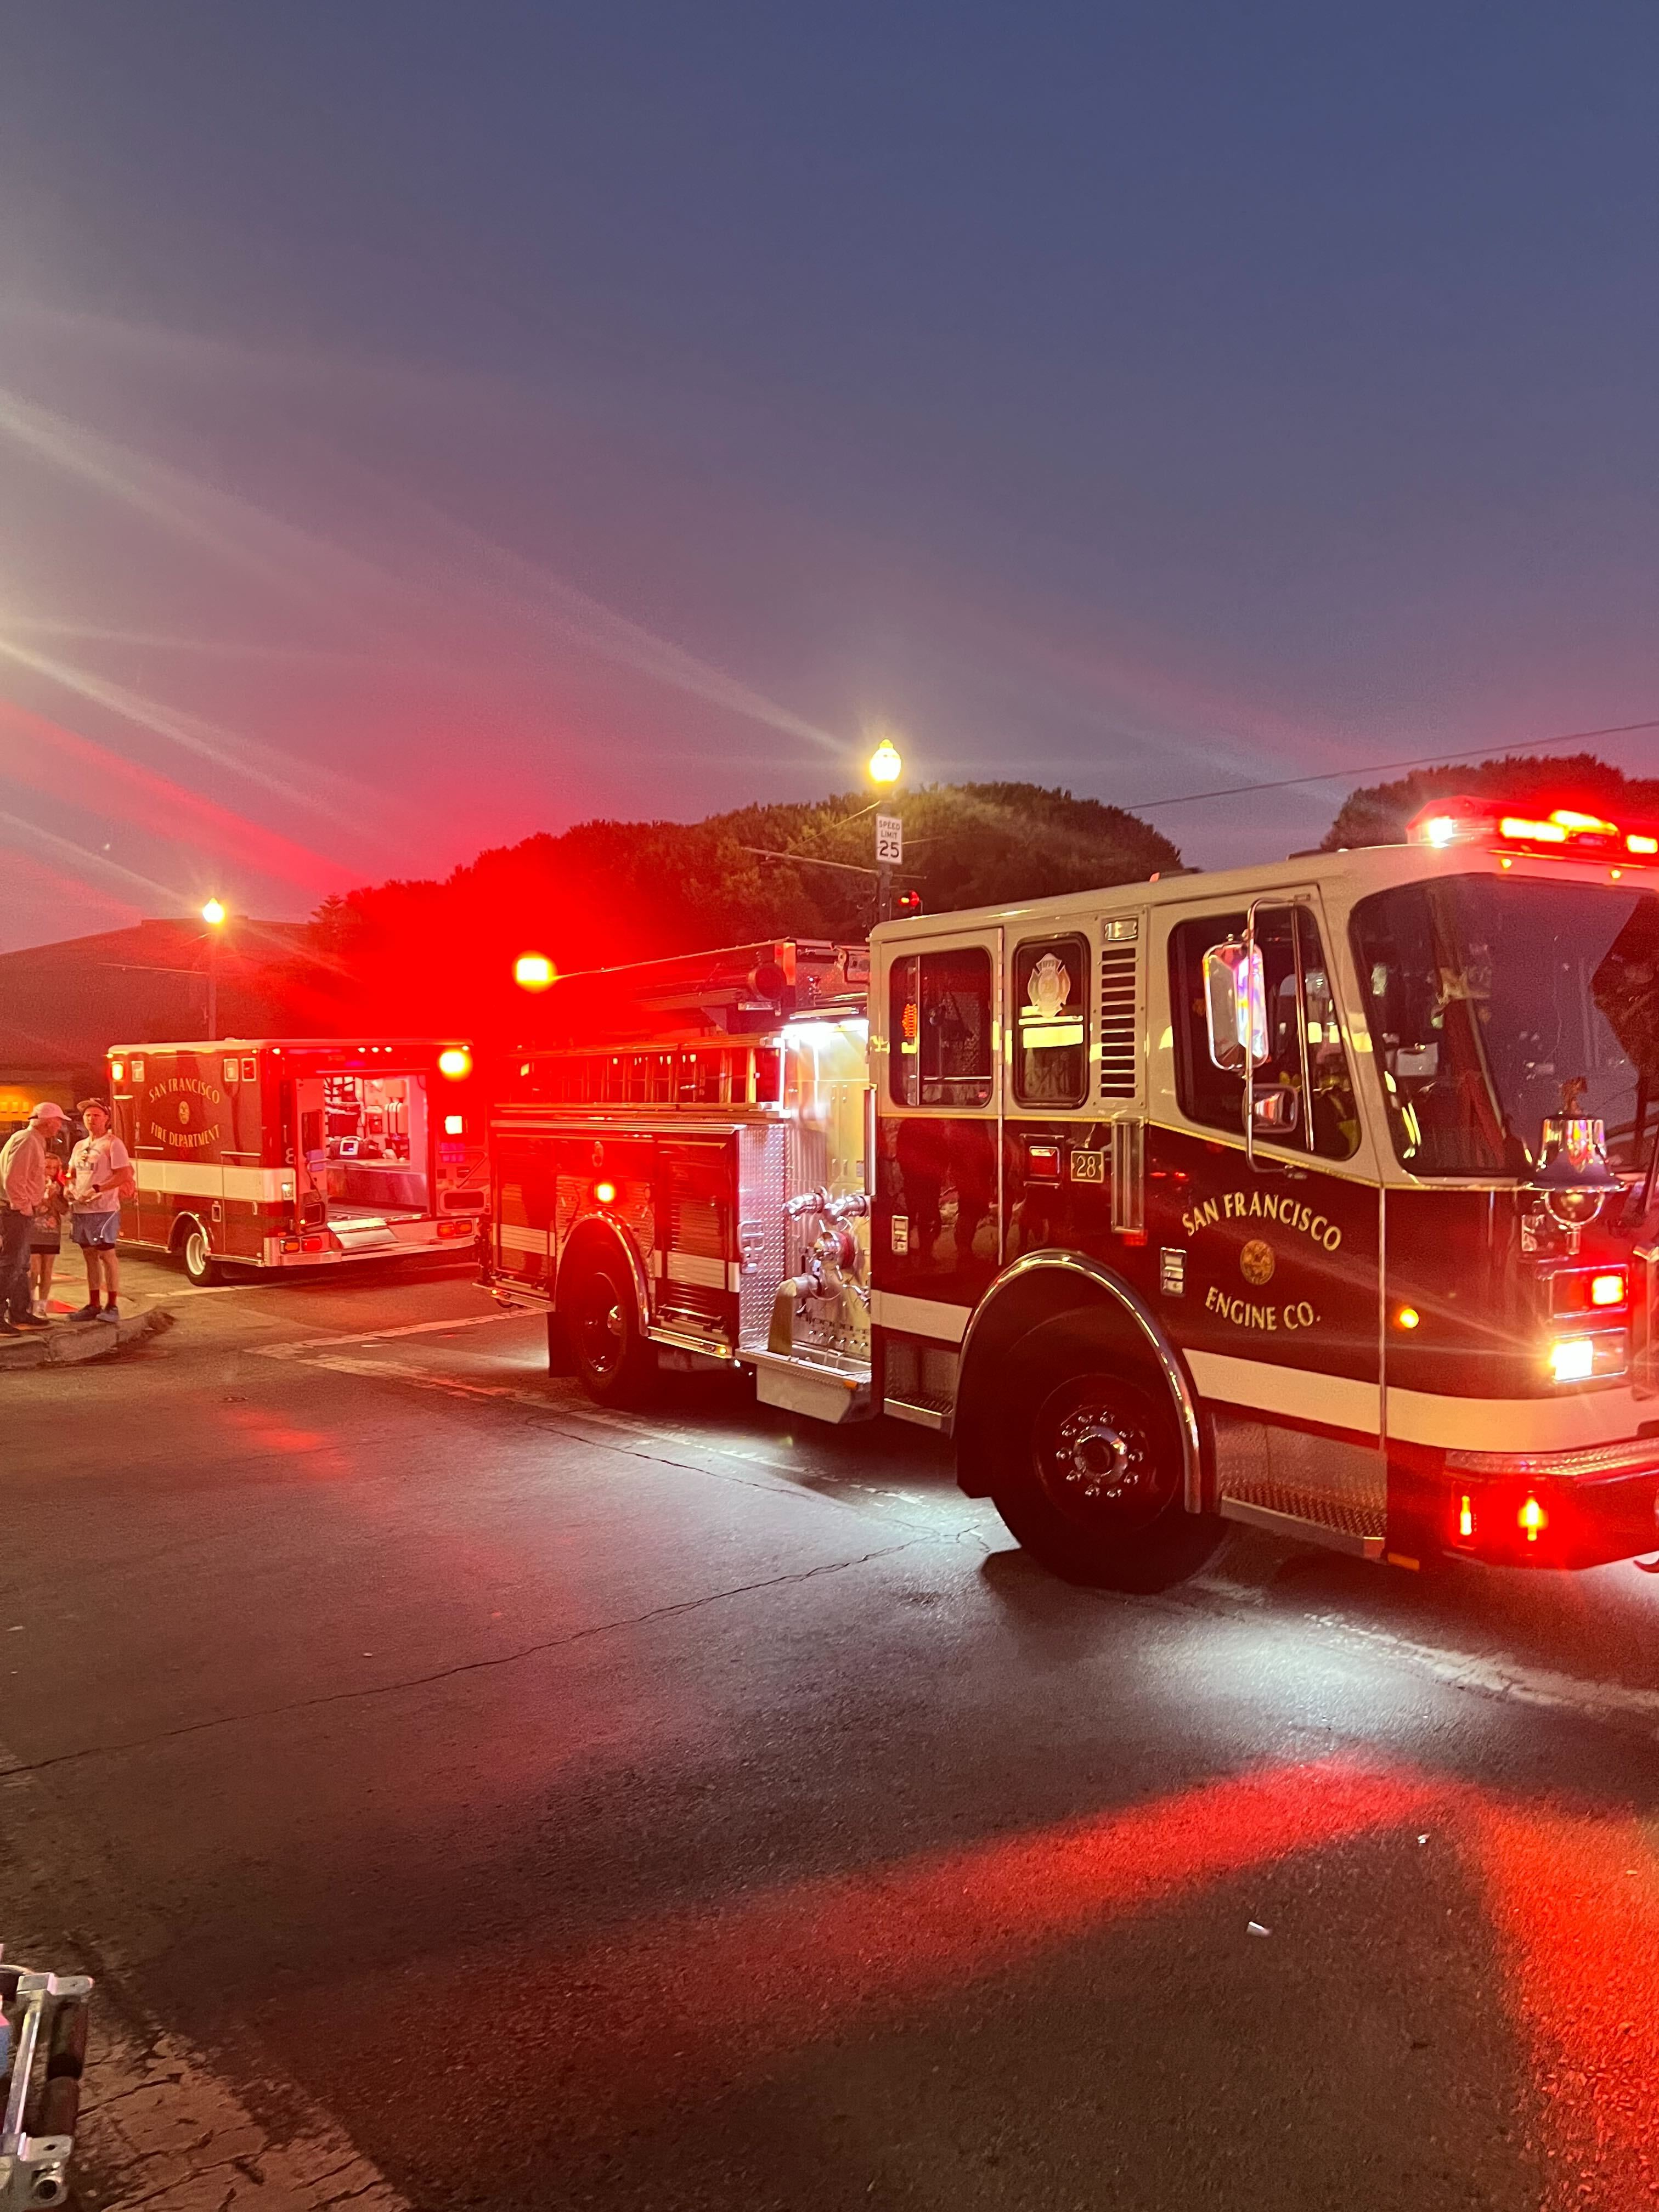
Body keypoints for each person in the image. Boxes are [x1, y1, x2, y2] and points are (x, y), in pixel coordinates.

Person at [0, 1102, 69, 1334]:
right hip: (15, 1212)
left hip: (17, 1211)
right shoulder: (28, 1141)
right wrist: (24, 1206)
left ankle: (20, 1311)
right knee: (12, 1263)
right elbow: (13, 1178)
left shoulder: (30, 1139)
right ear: (49, 1122)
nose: (59, 1127)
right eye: (58, 1122)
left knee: (21, 1264)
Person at [67, 1098, 132, 1324]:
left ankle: (112, 1305)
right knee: (89, 1256)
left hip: (105, 1209)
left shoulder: (113, 1144)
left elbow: (124, 1175)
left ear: (106, 1119)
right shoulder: (79, 1146)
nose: (91, 1119)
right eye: (87, 1116)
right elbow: (71, 1174)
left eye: (96, 1115)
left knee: (107, 1255)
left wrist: (98, 1189)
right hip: (81, 1209)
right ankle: (93, 1304)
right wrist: (69, 1189)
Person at [29, 1139, 68, 1319]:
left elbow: (64, 1210)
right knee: (33, 1269)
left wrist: (53, 1198)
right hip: (33, 1230)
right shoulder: (32, 1184)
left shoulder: (59, 1187)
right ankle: (30, 1303)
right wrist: (41, 1200)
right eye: (47, 1167)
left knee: (47, 1270)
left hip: (52, 1232)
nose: (50, 1171)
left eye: (54, 1168)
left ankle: (42, 1306)